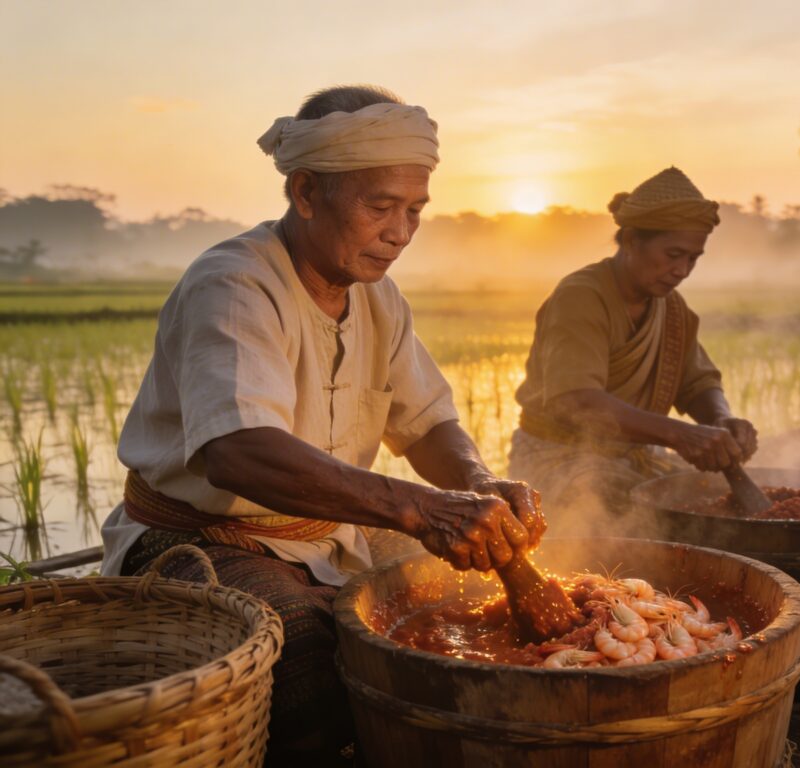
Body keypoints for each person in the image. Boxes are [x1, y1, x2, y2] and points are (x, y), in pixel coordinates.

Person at [99, 84, 544, 766]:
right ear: (307, 193)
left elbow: (426, 426)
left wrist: (479, 484)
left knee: (453, 600)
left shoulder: (379, 299)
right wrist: (420, 509)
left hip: (327, 537)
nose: (400, 232)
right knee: (309, 658)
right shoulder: (235, 284)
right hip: (199, 536)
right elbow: (237, 453)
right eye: (381, 208)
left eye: (415, 211)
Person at [507, 166, 757, 533]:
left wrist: (721, 420)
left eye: (693, 258)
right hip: (561, 456)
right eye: (673, 254)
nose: (683, 270)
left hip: (637, 457)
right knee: (644, 523)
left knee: (710, 504)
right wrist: (679, 434)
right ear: (631, 241)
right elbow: (577, 400)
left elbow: (699, 383)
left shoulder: (672, 309)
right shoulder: (581, 296)